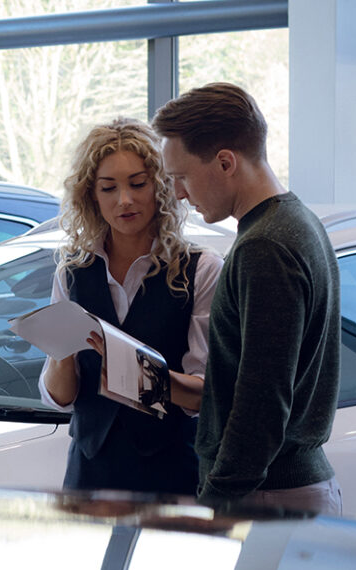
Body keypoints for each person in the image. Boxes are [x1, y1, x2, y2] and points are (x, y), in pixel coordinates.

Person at [152, 82, 342, 515]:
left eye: (181, 177)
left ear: (224, 163)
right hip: (280, 491)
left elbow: (262, 401)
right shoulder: (296, 222)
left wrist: (217, 502)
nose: (179, 193)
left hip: (265, 498)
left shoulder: (266, 245)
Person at [39, 117, 223, 495]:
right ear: (92, 195)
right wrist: (62, 351)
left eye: (138, 184)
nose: (125, 200)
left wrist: (133, 371)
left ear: (161, 186)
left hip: (172, 471)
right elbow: (60, 398)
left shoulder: (201, 268)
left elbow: (206, 394)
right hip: (89, 473)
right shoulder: (73, 272)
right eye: (109, 188)